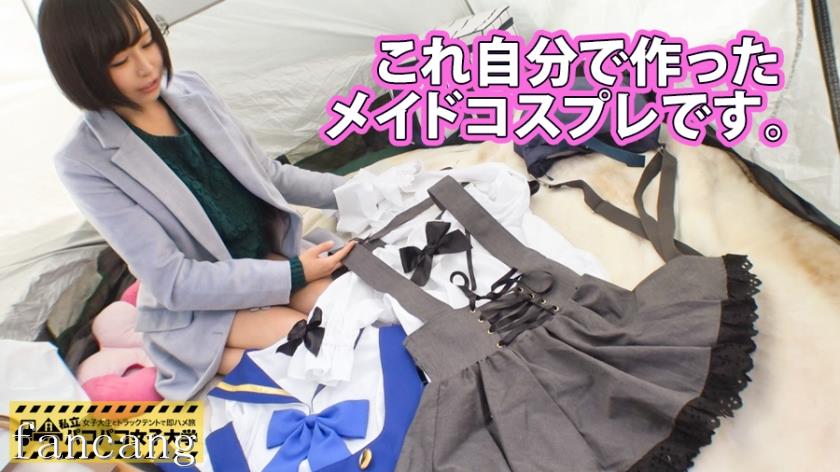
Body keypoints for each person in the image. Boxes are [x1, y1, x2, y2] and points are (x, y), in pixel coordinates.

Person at [38, 0, 355, 399]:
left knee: (354, 312)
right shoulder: (83, 160)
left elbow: (268, 174)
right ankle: (210, 357)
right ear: (81, 71)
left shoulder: (191, 91)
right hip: (200, 306)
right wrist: (293, 274)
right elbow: (174, 280)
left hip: (265, 261)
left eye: (147, 42)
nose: (146, 67)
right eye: (120, 60)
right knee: (313, 347)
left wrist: (354, 191)